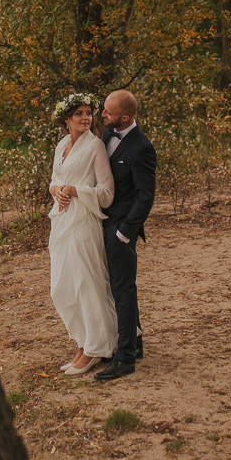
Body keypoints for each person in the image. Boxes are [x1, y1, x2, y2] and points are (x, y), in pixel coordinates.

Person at [47, 93, 118, 376]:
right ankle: (83, 341)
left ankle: (96, 348)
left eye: (89, 113)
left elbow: (107, 194)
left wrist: (76, 191)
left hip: (84, 223)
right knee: (62, 287)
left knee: (87, 285)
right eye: (79, 114)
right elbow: (55, 179)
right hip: (61, 222)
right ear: (66, 119)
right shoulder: (62, 145)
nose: (86, 118)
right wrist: (56, 191)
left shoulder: (95, 147)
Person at [95, 89, 156, 381]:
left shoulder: (142, 148)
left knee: (123, 289)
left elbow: (145, 197)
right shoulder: (108, 135)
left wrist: (124, 233)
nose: (102, 115)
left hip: (120, 229)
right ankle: (137, 343)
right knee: (118, 288)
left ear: (126, 117)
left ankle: (126, 358)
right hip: (104, 222)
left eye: (108, 112)